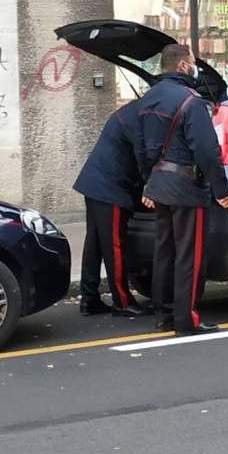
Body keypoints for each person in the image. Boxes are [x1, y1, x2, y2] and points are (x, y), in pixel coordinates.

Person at [138, 44, 228, 336]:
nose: (195, 67)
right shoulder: (191, 101)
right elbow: (206, 151)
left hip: (160, 185)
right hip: (187, 188)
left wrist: (149, 184)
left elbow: (141, 148)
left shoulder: (148, 99)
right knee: (188, 256)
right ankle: (186, 320)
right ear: (182, 66)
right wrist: (222, 190)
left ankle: (164, 313)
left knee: (164, 251)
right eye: (193, 62)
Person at [73, 100, 149, 317]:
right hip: (111, 189)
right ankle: (123, 302)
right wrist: (151, 184)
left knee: (95, 245)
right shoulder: (140, 118)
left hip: (95, 183)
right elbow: (144, 156)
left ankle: (89, 298)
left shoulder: (131, 111)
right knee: (114, 248)